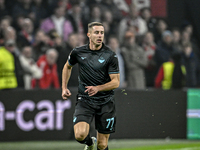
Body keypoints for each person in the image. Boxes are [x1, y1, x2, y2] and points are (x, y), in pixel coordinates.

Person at [62, 22, 120, 150]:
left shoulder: (110, 55)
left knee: (102, 144)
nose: (100, 35)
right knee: (80, 135)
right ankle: (89, 143)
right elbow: (67, 66)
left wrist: (98, 88)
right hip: (85, 100)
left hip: (106, 102)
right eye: (96, 32)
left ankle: (96, 144)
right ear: (89, 34)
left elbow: (116, 82)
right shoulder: (78, 52)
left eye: (102, 33)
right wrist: (64, 87)